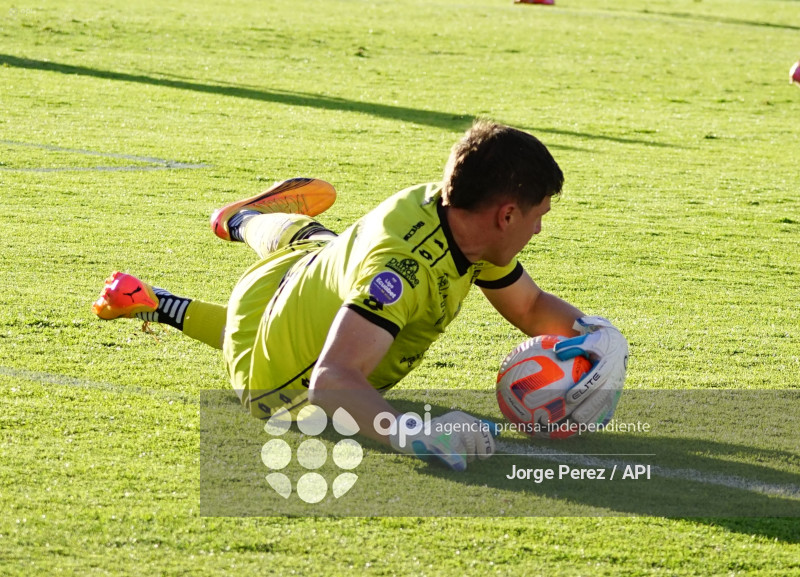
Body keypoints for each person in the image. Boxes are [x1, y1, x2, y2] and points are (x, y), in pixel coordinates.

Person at [93, 120, 628, 472]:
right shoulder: (401, 271)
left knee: (317, 240)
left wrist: (593, 337)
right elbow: (331, 382)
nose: (537, 230)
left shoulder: (446, 207)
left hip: (301, 282)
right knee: (268, 324)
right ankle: (162, 298)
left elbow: (530, 307)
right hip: (278, 386)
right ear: (506, 213)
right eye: (538, 217)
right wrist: (414, 433)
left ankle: (237, 223)